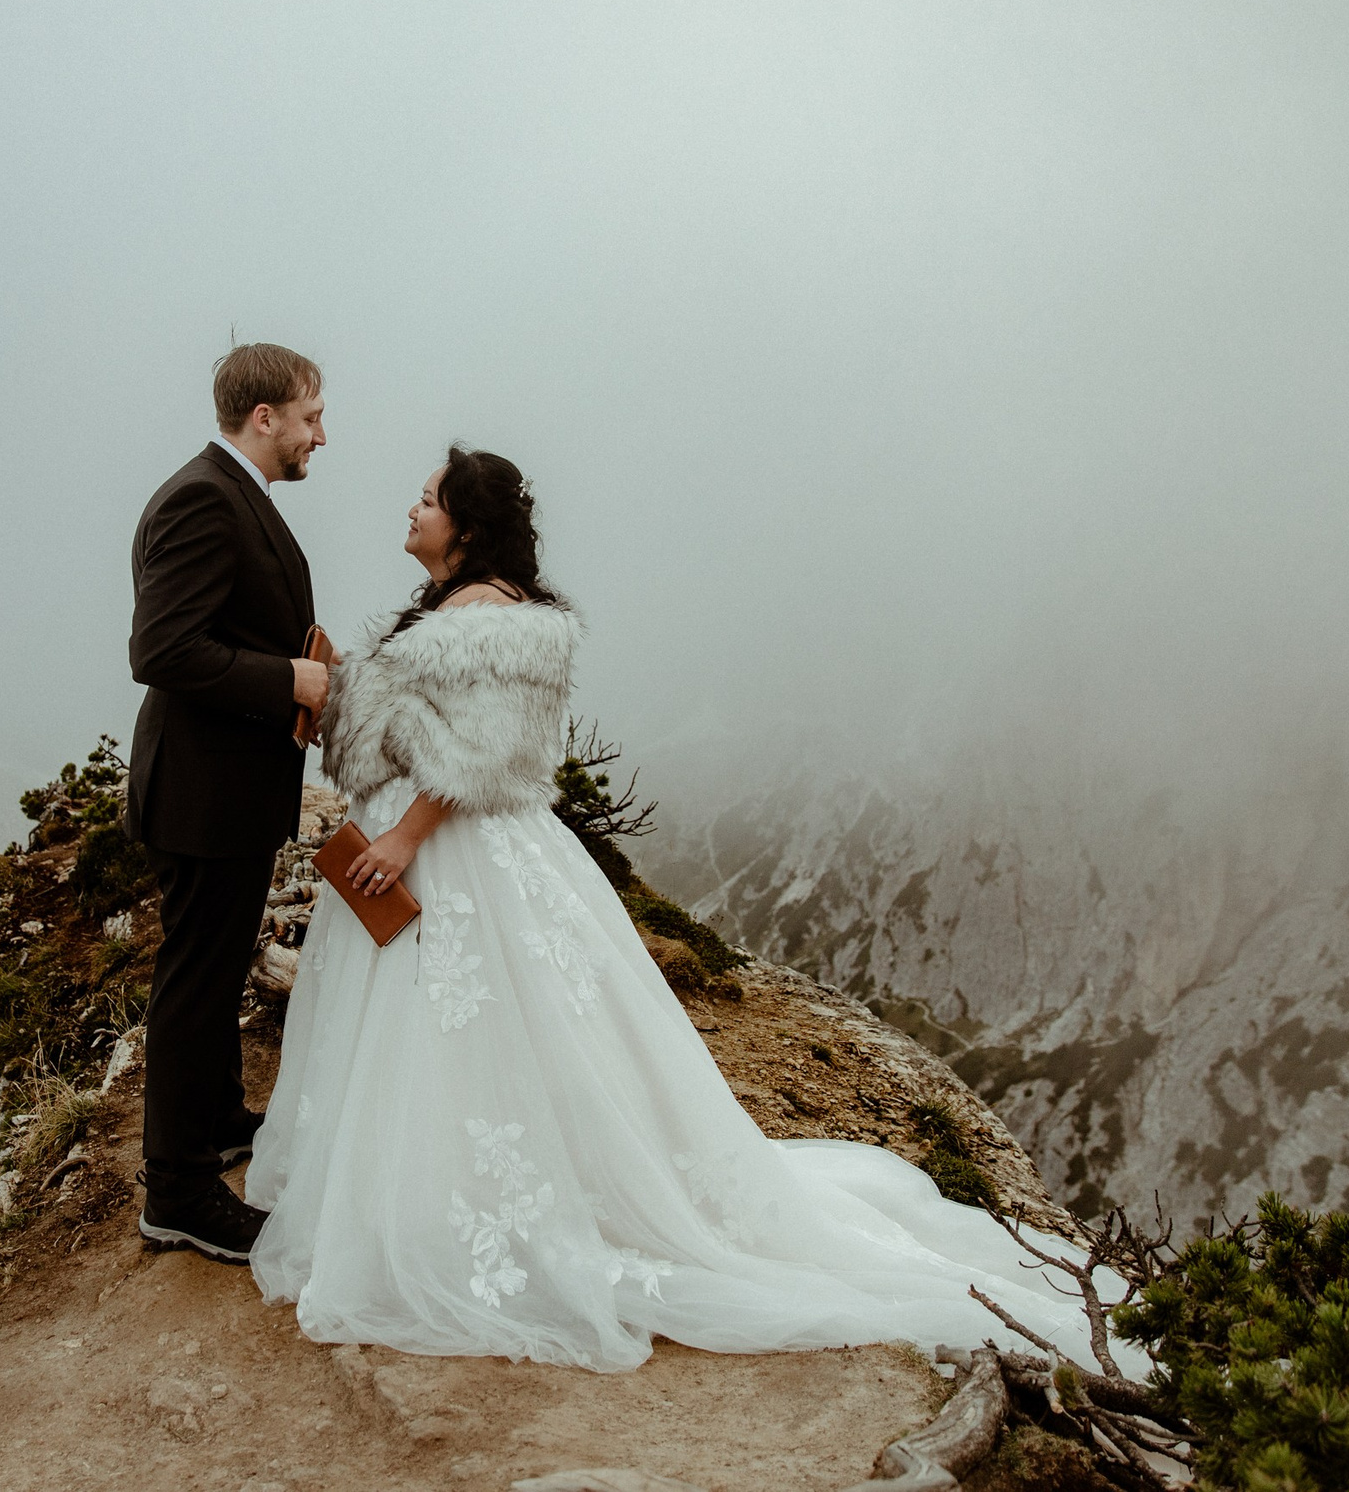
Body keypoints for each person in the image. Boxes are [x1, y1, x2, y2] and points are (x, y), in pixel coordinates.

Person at [245, 444, 1131, 1371]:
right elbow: (414, 725)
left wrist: (406, 836)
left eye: (427, 500)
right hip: (442, 848)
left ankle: (469, 1207)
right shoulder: (450, 609)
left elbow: (484, 751)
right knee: (453, 1033)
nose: (412, 509)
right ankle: (430, 1187)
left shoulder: (492, 617)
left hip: (452, 854)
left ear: (465, 526)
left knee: (468, 1027)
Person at [124, 343, 328, 1262]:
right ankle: (175, 1191)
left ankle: (212, 1115)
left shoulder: (233, 493)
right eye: (311, 415)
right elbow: (162, 650)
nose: (322, 433)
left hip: (230, 792)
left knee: (209, 973)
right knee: (193, 984)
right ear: (265, 418)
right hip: (202, 795)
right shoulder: (204, 497)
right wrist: (289, 674)